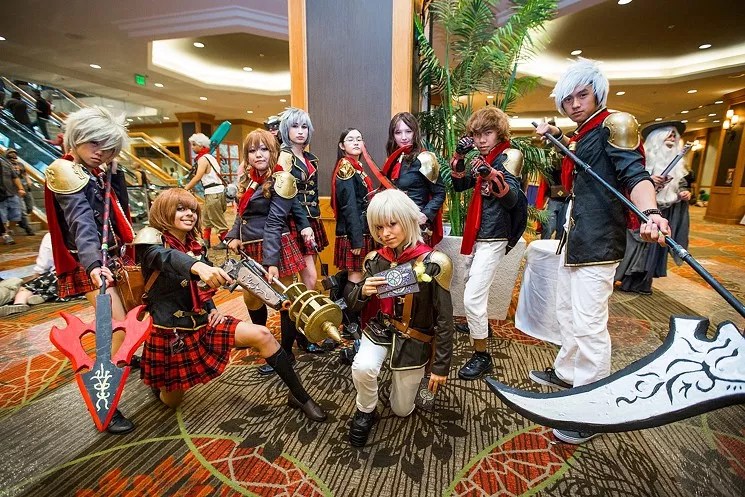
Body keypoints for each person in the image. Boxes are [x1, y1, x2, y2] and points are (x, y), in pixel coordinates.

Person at [531, 58, 670, 445]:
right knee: (567, 312)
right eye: (568, 99)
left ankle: (592, 409)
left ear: (597, 94)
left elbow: (635, 174)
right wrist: (558, 135)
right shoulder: (584, 132)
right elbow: (583, 159)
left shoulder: (615, 123)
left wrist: (652, 212)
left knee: (590, 325)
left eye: (582, 95)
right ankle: (568, 373)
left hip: (600, 241)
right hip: (574, 239)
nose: (575, 104)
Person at [135, 188, 326, 421]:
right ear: (164, 211)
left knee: (263, 335)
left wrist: (212, 308)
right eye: (180, 209)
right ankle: (158, 384)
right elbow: (166, 258)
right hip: (172, 333)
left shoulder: (196, 246)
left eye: (193, 209)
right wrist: (198, 267)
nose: (189, 214)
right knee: (172, 401)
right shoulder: (150, 241)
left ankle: (300, 397)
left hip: (203, 321)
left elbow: (201, 289)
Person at [44, 106, 136, 434]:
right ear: (77, 138)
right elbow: (80, 222)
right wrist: (94, 265)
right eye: (94, 144)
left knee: (127, 320)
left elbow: (119, 210)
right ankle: (104, 399)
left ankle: (121, 359)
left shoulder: (98, 171)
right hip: (90, 263)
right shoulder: (66, 171)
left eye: (109, 148)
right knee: (116, 327)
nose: (101, 153)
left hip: (110, 259)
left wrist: (115, 172)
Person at [346, 189, 453, 447]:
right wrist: (362, 291)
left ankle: (401, 386)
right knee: (362, 367)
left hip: (415, 339)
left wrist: (440, 366)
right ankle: (366, 410)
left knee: (402, 409)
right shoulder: (374, 260)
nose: (385, 233)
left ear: (407, 220)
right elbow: (353, 306)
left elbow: (445, 319)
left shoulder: (435, 263)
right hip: (380, 329)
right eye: (378, 227)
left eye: (392, 224)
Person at [225, 129, 318, 374]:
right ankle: (265, 342)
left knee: (284, 301)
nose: (258, 154)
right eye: (252, 150)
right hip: (251, 247)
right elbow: (242, 212)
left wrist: (271, 261)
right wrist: (234, 234)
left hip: (275, 246)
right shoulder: (249, 179)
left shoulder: (282, 179)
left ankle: (285, 353)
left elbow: (275, 223)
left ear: (273, 151)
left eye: (264, 149)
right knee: (252, 298)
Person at [450, 106, 527, 380]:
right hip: (477, 233)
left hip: (494, 235)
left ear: (499, 133)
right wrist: (460, 156)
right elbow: (458, 185)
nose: (481, 140)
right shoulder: (483, 158)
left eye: (488, 133)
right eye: (477, 134)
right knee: (471, 287)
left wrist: (490, 174)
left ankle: (482, 356)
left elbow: (513, 199)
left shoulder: (509, 156)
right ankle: (479, 326)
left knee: (472, 298)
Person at [616, 121, 691, 295]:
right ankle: (626, 279)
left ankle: (642, 283)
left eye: (674, 135)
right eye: (668, 135)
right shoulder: (640, 162)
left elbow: (681, 185)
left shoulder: (678, 165)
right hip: (638, 213)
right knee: (636, 247)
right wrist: (649, 180)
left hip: (666, 210)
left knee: (656, 248)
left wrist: (683, 193)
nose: (672, 138)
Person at [331, 128, 375, 323]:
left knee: (359, 276)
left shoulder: (357, 167)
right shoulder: (346, 168)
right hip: (354, 233)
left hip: (362, 229)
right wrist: (356, 239)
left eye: (359, 139)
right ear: (342, 146)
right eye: (350, 140)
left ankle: (352, 320)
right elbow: (349, 206)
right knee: (355, 277)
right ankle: (350, 322)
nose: (356, 142)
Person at [382, 112, 445, 247]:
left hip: (416, 226)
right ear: (393, 135)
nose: (404, 137)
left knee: (417, 261)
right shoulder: (392, 160)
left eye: (408, 131)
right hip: (393, 225)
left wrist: (425, 215)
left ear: (415, 132)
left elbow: (440, 193)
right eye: (398, 132)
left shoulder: (426, 158)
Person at [183, 133, 229, 249]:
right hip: (215, 192)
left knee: (217, 219)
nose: (192, 147)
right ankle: (206, 241)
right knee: (207, 218)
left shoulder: (203, 159)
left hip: (213, 192)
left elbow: (198, 177)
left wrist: (186, 188)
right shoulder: (210, 157)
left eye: (194, 145)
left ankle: (226, 241)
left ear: (201, 145)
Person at [0, 150, 34, 237]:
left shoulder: (9, 164)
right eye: (11, 156)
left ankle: (9, 229)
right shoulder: (7, 163)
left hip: (14, 191)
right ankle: (7, 234)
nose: (13, 158)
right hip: (2, 194)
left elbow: (17, 176)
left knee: (19, 213)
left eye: (14, 156)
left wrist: (21, 188)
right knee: (3, 216)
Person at [6, 148, 35, 219]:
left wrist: (28, 180)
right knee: (22, 208)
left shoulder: (20, 164)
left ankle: (23, 217)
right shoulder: (6, 165)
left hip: (25, 185)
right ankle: (22, 220)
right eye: (11, 154)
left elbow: (25, 173)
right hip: (15, 187)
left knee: (30, 206)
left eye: (14, 154)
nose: (13, 156)